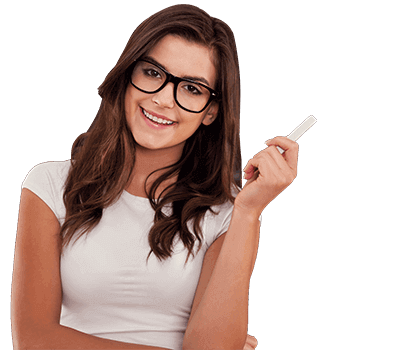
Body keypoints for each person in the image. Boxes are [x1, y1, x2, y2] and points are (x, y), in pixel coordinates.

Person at [11, 4, 298, 350]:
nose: (163, 99)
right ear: (128, 74)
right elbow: (34, 339)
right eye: (153, 73)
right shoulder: (50, 186)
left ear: (211, 112)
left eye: (192, 89)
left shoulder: (231, 208)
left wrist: (249, 212)